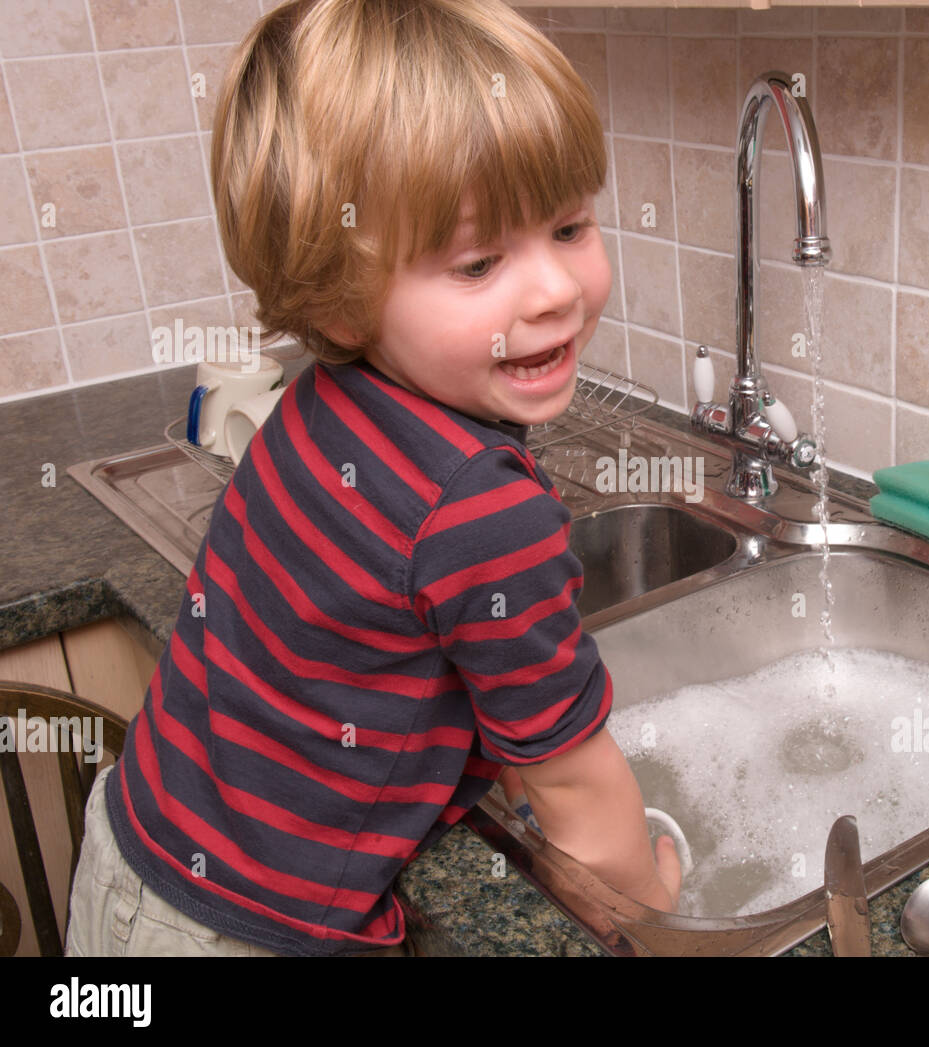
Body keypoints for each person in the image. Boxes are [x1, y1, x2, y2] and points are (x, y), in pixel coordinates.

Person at [64, 0, 679, 958]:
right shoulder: (481, 509)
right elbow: (577, 791)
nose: (556, 287)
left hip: (131, 855)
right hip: (248, 935)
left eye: (569, 226)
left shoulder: (322, 401)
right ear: (336, 299)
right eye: (479, 261)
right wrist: (658, 915)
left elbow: (392, 652)